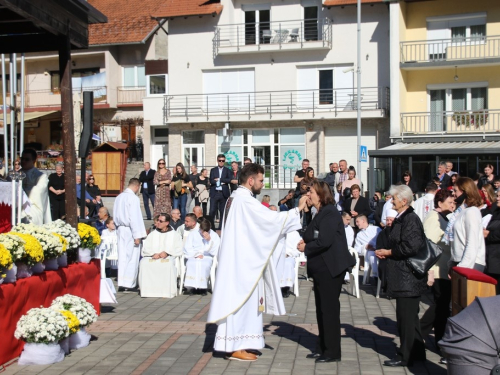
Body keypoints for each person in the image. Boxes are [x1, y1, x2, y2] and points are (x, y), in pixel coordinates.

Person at [208, 163, 308, 362]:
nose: (263, 184)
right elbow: (270, 220)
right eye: (261, 180)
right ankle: (232, 346)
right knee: (240, 303)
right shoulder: (244, 201)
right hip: (241, 262)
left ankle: (241, 343)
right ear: (251, 180)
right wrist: (297, 210)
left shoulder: (236, 198)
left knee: (247, 303)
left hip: (241, 258)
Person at [297, 180, 355, 363]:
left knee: (329, 311)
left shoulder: (330, 213)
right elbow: (310, 233)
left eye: (311, 192)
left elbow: (324, 240)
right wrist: (306, 213)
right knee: (321, 310)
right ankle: (323, 346)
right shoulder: (320, 213)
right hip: (321, 269)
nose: (308, 195)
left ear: (321, 194)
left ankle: (332, 351)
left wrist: (306, 247)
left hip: (330, 268)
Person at [375, 185, 427, 367]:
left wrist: (389, 252)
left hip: (408, 278)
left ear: (404, 201)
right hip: (403, 276)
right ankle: (418, 353)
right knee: (410, 318)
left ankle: (406, 356)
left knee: (406, 318)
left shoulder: (410, 219)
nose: (391, 200)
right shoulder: (402, 218)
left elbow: (410, 246)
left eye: (394, 198)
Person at [420, 189, 455, 362]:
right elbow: (430, 247)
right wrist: (430, 272)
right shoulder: (433, 219)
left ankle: (435, 338)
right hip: (438, 269)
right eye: (450, 202)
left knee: (441, 307)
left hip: (443, 268)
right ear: (440, 203)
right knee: (439, 306)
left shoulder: (443, 217)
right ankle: (421, 332)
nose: (452, 204)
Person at [138, 213, 183, 298]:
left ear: (167, 223)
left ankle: (166, 292)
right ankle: (147, 291)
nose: (158, 222)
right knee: (144, 263)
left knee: (168, 264)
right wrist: (153, 254)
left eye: (161, 221)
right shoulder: (152, 234)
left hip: (168, 256)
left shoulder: (174, 235)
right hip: (153, 256)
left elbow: (179, 248)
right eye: (158, 220)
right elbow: (146, 248)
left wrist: (167, 252)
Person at [114, 178, 147, 291]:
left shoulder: (119, 197)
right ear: (137, 186)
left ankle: (122, 282)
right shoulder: (133, 198)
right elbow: (135, 218)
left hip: (120, 229)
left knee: (122, 255)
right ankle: (129, 283)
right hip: (129, 230)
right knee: (132, 256)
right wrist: (137, 235)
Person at [448, 177, 486, 271]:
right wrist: (451, 263)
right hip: (460, 261)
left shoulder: (472, 211)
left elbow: (472, 242)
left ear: (464, 191)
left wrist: (462, 267)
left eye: (455, 191)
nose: (453, 193)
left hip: (470, 264)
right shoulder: (460, 212)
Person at [183, 218, 220, 296]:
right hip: (194, 256)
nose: (204, 233)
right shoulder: (193, 234)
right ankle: (192, 287)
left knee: (204, 264)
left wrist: (209, 241)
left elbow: (215, 250)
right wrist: (196, 254)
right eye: (202, 230)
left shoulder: (214, 235)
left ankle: (203, 288)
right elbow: (187, 247)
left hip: (207, 256)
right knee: (191, 264)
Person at [19, 148, 51, 225]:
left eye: (27, 159)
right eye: (22, 159)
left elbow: (38, 191)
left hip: (32, 206)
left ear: (34, 161)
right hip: (16, 205)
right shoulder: (14, 175)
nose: (23, 161)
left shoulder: (41, 176)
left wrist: (23, 195)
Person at [354, 215, 381, 283]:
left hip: (380, 250)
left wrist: (376, 247)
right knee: (372, 254)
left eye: (357, 221)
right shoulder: (359, 234)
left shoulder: (376, 229)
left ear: (363, 221)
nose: (356, 224)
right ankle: (376, 277)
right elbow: (356, 248)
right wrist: (365, 247)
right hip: (368, 253)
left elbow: (382, 240)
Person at [209, 154, 232, 230]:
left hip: (223, 194)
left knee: (222, 211)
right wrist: (217, 182)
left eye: (223, 161)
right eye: (220, 160)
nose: (221, 162)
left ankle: (221, 228)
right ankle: (211, 227)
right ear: (217, 160)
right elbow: (211, 181)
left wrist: (219, 180)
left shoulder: (227, 170)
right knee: (212, 211)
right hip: (215, 193)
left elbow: (229, 180)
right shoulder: (213, 170)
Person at [484, 192, 500, 294]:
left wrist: (488, 234)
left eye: (499, 196)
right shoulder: (496, 211)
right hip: (492, 259)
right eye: (497, 195)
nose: (497, 198)